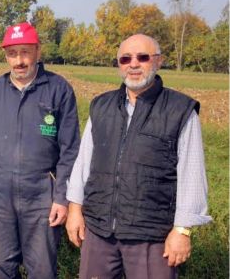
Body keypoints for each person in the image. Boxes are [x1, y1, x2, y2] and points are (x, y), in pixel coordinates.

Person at [66, 34, 212, 278]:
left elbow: (192, 174)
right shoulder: (101, 106)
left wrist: (182, 231)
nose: (133, 64)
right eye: (125, 58)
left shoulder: (179, 110)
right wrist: (74, 209)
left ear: (158, 61)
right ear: (119, 64)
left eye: (142, 57)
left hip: (151, 236)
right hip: (100, 230)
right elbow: (83, 162)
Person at [0, 22, 80, 278]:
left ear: (38, 51)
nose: (19, 61)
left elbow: (70, 150)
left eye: (25, 52)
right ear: (6, 55)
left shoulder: (58, 90)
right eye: (12, 54)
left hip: (42, 195)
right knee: (0, 267)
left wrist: (62, 197)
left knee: (43, 268)